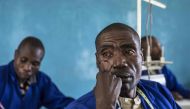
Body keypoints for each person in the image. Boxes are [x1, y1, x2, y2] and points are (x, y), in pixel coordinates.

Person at [65, 23, 181, 109]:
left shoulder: (159, 92)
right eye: (107, 54)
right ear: (98, 61)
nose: (120, 62)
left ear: (142, 57)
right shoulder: (78, 107)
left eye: (129, 52)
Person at [0, 36, 74, 109]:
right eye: (23, 60)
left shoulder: (42, 81)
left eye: (35, 64)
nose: (27, 68)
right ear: (16, 54)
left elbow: (61, 103)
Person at [141, 36, 190, 100]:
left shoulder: (163, 69)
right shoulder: (139, 71)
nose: (160, 49)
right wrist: (167, 94)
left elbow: (179, 89)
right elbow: (144, 93)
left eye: (159, 45)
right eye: (154, 46)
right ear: (142, 51)